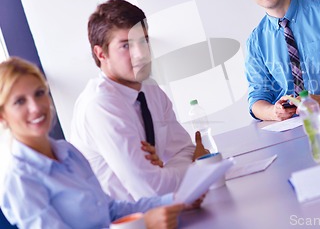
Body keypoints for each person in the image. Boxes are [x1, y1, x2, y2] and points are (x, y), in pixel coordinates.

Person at [0, 57, 186, 229]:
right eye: (19, 102)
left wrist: (177, 200)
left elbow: (110, 210)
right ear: (2, 116)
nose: (35, 107)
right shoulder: (19, 180)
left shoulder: (68, 152)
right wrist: (145, 224)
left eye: (39, 93)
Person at [70, 0, 208, 202]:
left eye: (143, 41)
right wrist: (191, 169)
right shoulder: (100, 105)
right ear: (101, 54)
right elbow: (152, 190)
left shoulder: (149, 89)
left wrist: (164, 171)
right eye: (126, 45)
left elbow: (184, 149)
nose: (141, 53)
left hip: (166, 213)